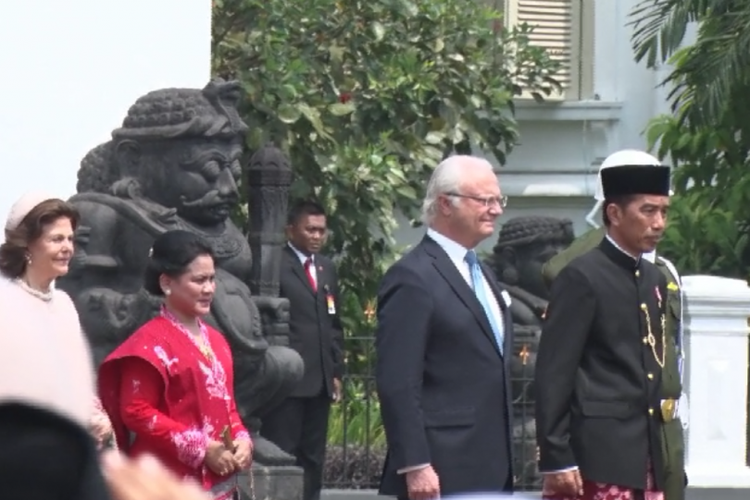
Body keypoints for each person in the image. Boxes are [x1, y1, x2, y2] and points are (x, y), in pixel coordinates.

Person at [540, 150, 687, 500]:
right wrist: (556, 456)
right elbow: (554, 373)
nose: (659, 223)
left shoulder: (652, 276)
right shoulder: (581, 276)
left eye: (664, 211)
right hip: (599, 456)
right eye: (648, 210)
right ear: (614, 213)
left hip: (648, 451)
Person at [375, 155, 515, 500]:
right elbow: (398, 381)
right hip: (440, 467)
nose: (496, 209)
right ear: (445, 204)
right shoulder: (413, 277)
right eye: (484, 200)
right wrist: (415, 463)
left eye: (499, 200)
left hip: (492, 465)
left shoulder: (484, 273)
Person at [98, 230, 252, 500]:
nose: (209, 289)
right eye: (199, 280)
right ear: (167, 282)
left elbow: (227, 406)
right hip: (164, 483)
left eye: (212, 279)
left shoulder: (217, 341)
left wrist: (242, 440)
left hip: (220, 487)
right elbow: (135, 410)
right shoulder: (148, 343)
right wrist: (202, 447)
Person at [0, 192, 113, 446]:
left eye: (70, 239)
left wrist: (97, 418)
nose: (68, 248)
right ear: (27, 245)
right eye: (56, 239)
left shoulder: (64, 304)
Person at [261, 200, 344, 500]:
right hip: (289, 380)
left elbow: (334, 322)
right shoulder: (275, 266)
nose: (317, 236)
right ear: (290, 230)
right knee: (285, 453)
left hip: (319, 381)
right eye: (310, 229)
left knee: (313, 458)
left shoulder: (326, 268)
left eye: (321, 230)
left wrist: (335, 371)